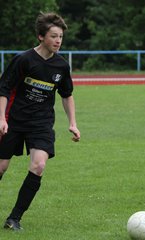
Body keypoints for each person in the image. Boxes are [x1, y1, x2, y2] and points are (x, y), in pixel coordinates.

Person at [0, 12, 80, 230]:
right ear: (40, 37)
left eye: (61, 37)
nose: (58, 41)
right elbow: (4, 89)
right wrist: (1, 119)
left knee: (39, 165)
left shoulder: (61, 66)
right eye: (54, 36)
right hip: (13, 120)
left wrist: (72, 122)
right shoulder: (23, 59)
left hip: (41, 123)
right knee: (1, 167)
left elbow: (67, 94)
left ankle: (14, 218)